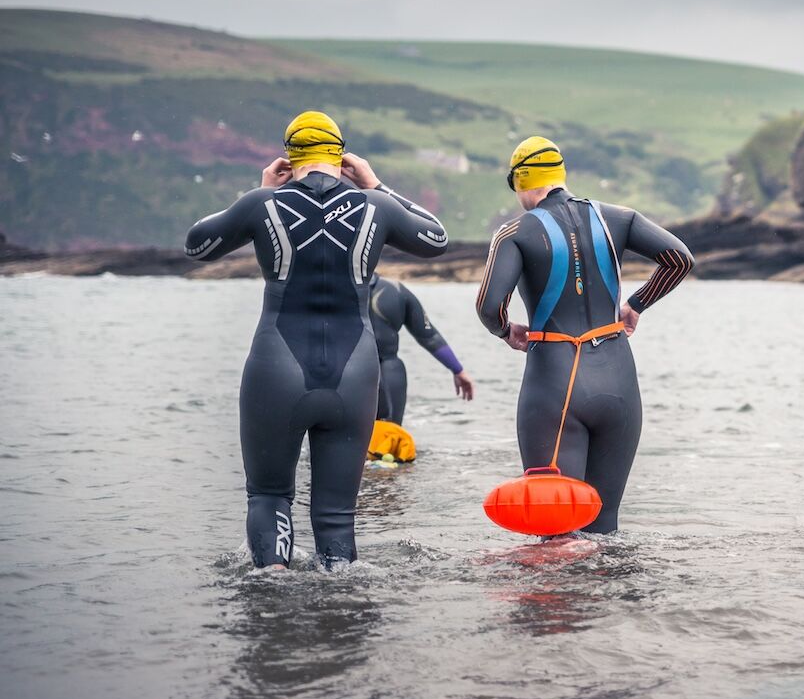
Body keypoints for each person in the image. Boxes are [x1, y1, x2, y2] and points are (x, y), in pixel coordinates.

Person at [185, 111, 449, 569]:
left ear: (290, 156)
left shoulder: (262, 202)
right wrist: (377, 185)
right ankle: (340, 612)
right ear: (341, 156)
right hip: (355, 373)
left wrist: (261, 188)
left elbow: (196, 245)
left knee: (269, 496)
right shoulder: (377, 206)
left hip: (277, 368)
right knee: (336, 515)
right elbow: (436, 238)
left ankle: (272, 597)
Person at [475, 136, 694, 534]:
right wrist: (636, 305)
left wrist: (507, 331)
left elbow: (488, 307)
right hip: (619, 382)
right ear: (561, 174)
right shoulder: (619, 217)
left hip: (555, 383)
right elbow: (680, 259)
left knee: (555, 528)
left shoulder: (515, 233)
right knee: (603, 528)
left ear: (520, 181)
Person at [368, 275, 474, 424]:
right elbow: (429, 336)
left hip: (347, 372)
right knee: (389, 437)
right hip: (390, 372)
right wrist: (458, 370)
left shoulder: (335, 288)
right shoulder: (395, 289)